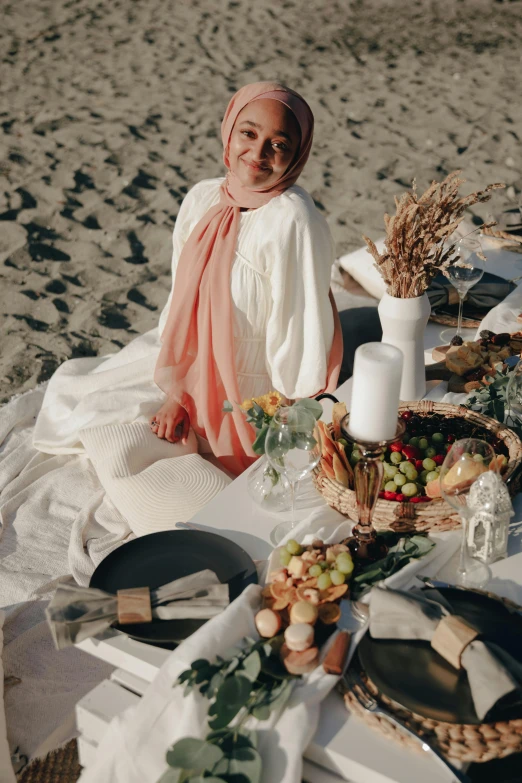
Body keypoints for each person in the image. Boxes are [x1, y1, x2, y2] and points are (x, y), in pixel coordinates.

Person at [149, 82, 342, 474]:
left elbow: (300, 324)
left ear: (296, 154)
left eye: (279, 144)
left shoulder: (292, 219)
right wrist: (179, 393)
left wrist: (287, 411)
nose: (257, 153)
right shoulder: (203, 198)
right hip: (199, 375)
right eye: (249, 133)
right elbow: (184, 302)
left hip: (257, 389)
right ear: (229, 130)